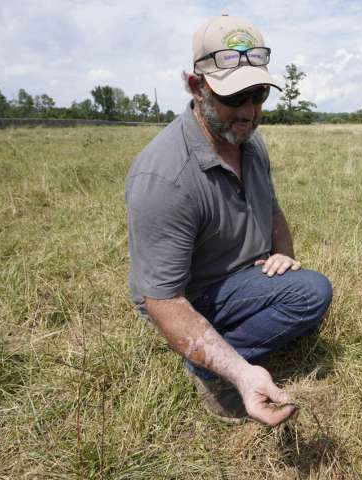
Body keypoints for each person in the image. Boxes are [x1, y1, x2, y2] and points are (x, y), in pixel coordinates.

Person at [125, 14, 333, 426]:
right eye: (234, 97)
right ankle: (208, 369)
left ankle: (222, 348)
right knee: (311, 294)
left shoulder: (249, 142)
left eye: (258, 95)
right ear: (196, 87)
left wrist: (284, 254)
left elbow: (272, 207)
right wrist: (240, 371)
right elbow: (162, 299)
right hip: (189, 297)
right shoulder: (164, 177)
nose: (250, 112)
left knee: (306, 296)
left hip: (242, 274)